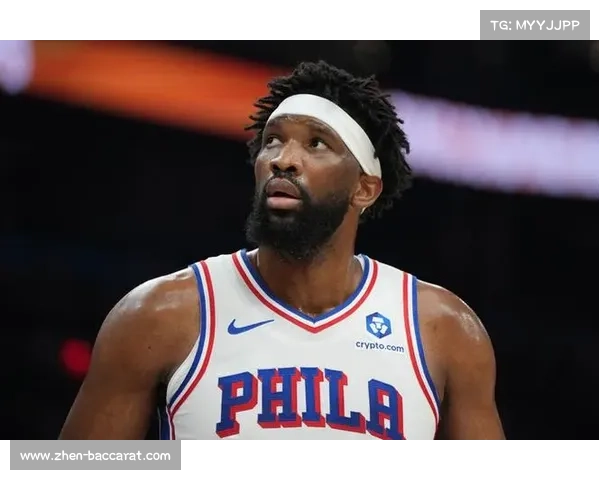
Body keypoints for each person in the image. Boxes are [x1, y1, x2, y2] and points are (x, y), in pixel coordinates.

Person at [59, 60, 505, 440]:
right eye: (272, 140)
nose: (283, 158)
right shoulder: (158, 315)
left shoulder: (444, 331)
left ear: (364, 188)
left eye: (316, 143)